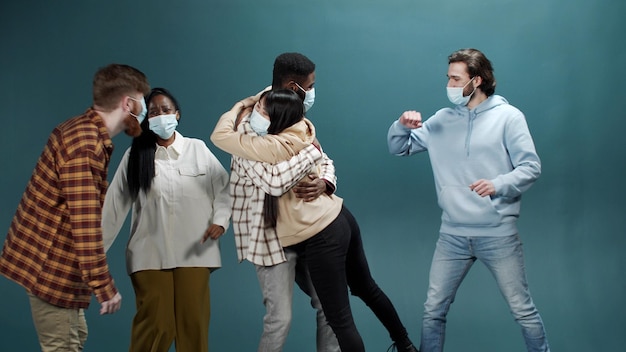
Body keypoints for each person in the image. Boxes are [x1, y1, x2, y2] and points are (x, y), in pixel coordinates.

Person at [211, 89, 419, 352]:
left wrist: (320, 168)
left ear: (279, 121)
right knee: (364, 289)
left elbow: (274, 180)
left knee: (338, 317)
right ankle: (405, 344)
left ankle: (405, 344)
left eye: (263, 111)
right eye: (257, 107)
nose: (256, 114)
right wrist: (313, 156)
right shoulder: (301, 136)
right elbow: (308, 160)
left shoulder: (275, 146)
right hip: (332, 219)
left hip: (320, 232)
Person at [387, 48, 550, 352]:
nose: (448, 84)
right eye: (448, 77)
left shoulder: (509, 118)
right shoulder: (442, 120)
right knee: (433, 311)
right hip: (452, 235)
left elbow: (531, 167)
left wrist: (498, 184)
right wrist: (400, 126)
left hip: (497, 234)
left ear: (476, 80)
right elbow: (400, 148)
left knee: (522, 310)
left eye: (454, 78)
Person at [0, 63, 150, 351]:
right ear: (127, 103)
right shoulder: (86, 147)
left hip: (55, 270)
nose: (143, 111)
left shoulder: (79, 130)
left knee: (76, 336)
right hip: (52, 273)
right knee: (64, 346)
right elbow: (84, 226)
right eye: (142, 101)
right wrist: (105, 289)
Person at [214, 52, 341, 352]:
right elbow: (273, 181)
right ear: (295, 86)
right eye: (310, 86)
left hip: (305, 229)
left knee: (330, 308)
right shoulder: (247, 127)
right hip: (269, 236)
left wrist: (325, 181)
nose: (313, 92)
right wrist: (312, 152)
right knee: (279, 319)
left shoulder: (290, 108)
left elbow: (326, 159)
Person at [101, 87, 231, 352]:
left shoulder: (197, 149)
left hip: (194, 252)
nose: (161, 116)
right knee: (158, 325)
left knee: (192, 326)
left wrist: (220, 220)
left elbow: (226, 190)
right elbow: (113, 209)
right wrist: (91, 258)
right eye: (154, 112)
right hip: (149, 254)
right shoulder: (135, 157)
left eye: (166, 110)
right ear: (146, 120)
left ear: (177, 114)